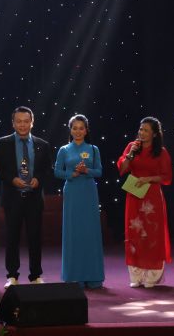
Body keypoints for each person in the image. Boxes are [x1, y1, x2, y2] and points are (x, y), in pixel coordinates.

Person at [0, 106, 53, 286]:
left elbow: (46, 169)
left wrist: (38, 179)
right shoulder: (2, 143)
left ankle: (36, 275)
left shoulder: (43, 144)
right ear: (13, 123)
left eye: (26, 121)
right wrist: (12, 179)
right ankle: (12, 275)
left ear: (32, 122)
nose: (22, 125)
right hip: (13, 198)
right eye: (18, 121)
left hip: (34, 197)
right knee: (12, 238)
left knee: (35, 237)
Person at [117, 116, 172, 288]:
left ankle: (152, 275)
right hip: (134, 195)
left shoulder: (161, 152)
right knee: (134, 232)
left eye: (146, 130)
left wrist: (148, 179)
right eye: (140, 129)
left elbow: (167, 178)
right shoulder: (132, 147)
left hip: (152, 197)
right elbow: (123, 169)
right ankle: (136, 275)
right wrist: (130, 155)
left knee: (152, 234)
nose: (141, 132)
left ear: (154, 134)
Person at [55, 114, 105, 289]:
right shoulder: (64, 150)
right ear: (70, 130)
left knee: (90, 231)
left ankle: (93, 276)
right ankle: (74, 275)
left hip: (89, 191)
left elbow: (99, 171)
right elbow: (57, 172)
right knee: (73, 231)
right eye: (74, 128)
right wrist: (72, 174)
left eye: (81, 128)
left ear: (86, 130)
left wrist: (86, 171)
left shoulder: (93, 149)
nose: (77, 131)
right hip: (72, 192)